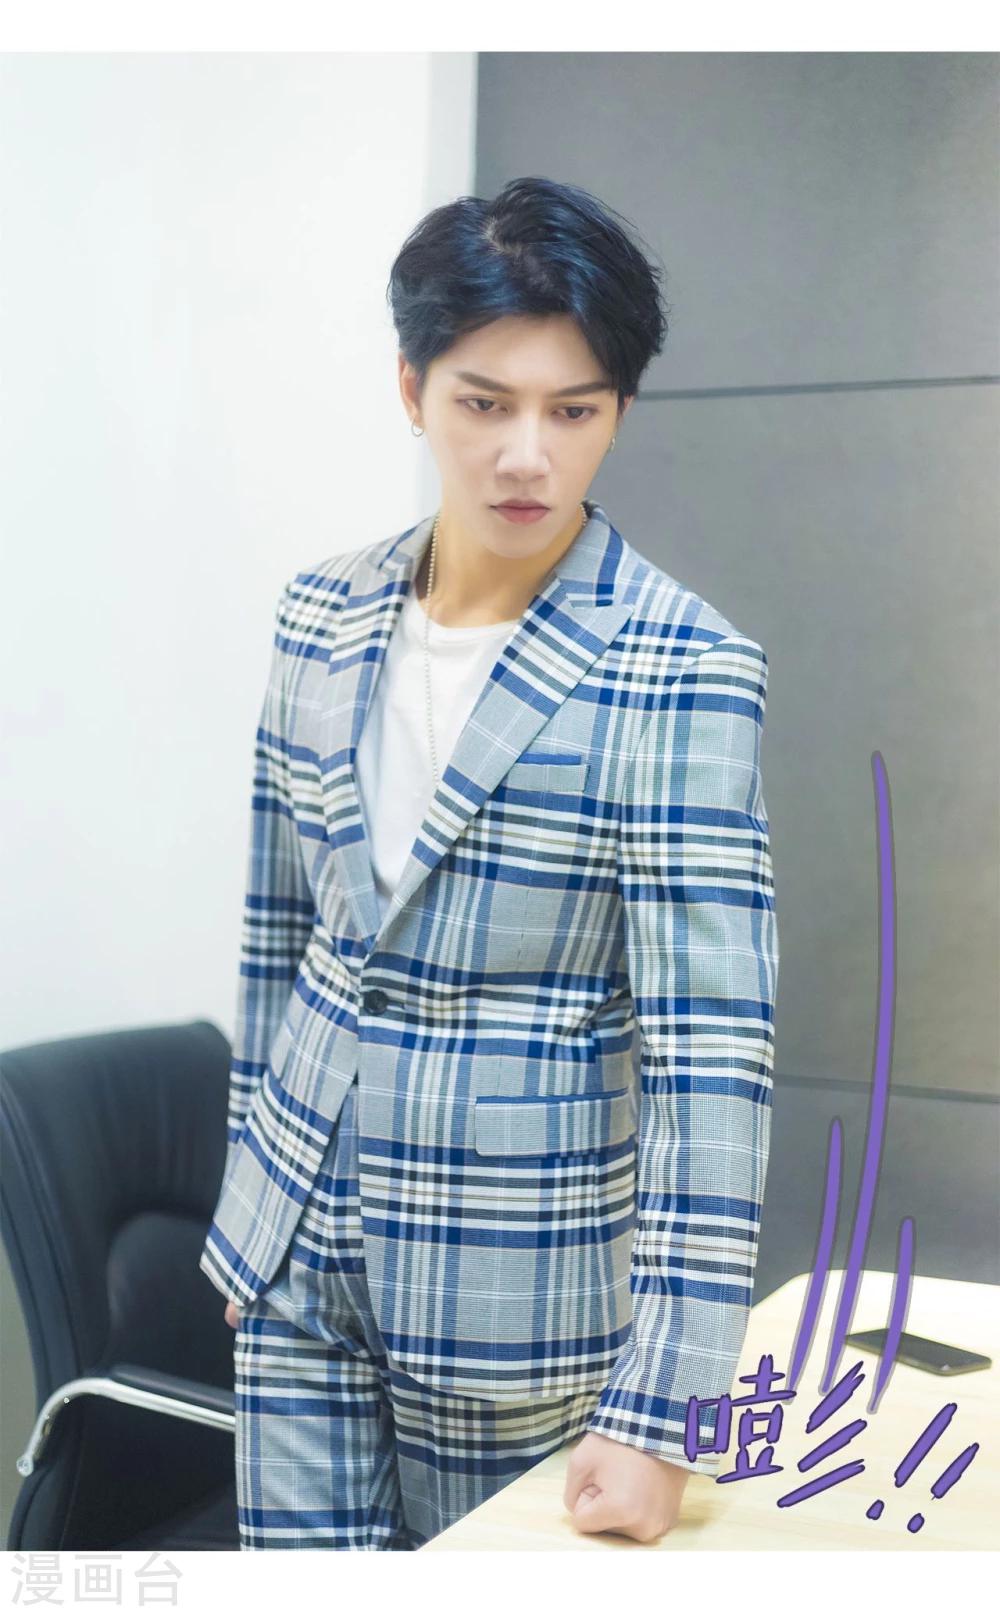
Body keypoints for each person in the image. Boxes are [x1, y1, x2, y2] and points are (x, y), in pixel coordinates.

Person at [199, 175, 779, 1549]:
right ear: (413, 390)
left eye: (573, 411)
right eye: (485, 402)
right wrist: (248, 1206)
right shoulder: (319, 614)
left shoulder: (682, 664)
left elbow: (713, 1052)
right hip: (292, 1254)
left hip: (512, 1276)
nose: (528, 455)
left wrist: (663, 1408)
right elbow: (280, 934)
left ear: (618, 411)